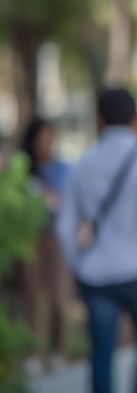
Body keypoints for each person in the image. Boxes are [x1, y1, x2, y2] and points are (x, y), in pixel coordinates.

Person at [55, 88, 137, 393]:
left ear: (100, 119)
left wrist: (77, 263)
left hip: (96, 274)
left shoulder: (83, 163)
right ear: (135, 118)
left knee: (100, 353)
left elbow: (64, 225)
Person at [17, 117, 73, 374]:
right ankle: (33, 354)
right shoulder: (22, 170)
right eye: (43, 138)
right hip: (29, 239)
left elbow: (67, 202)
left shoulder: (63, 168)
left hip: (57, 239)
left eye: (51, 138)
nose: (47, 144)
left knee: (60, 298)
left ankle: (58, 350)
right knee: (32, 297)